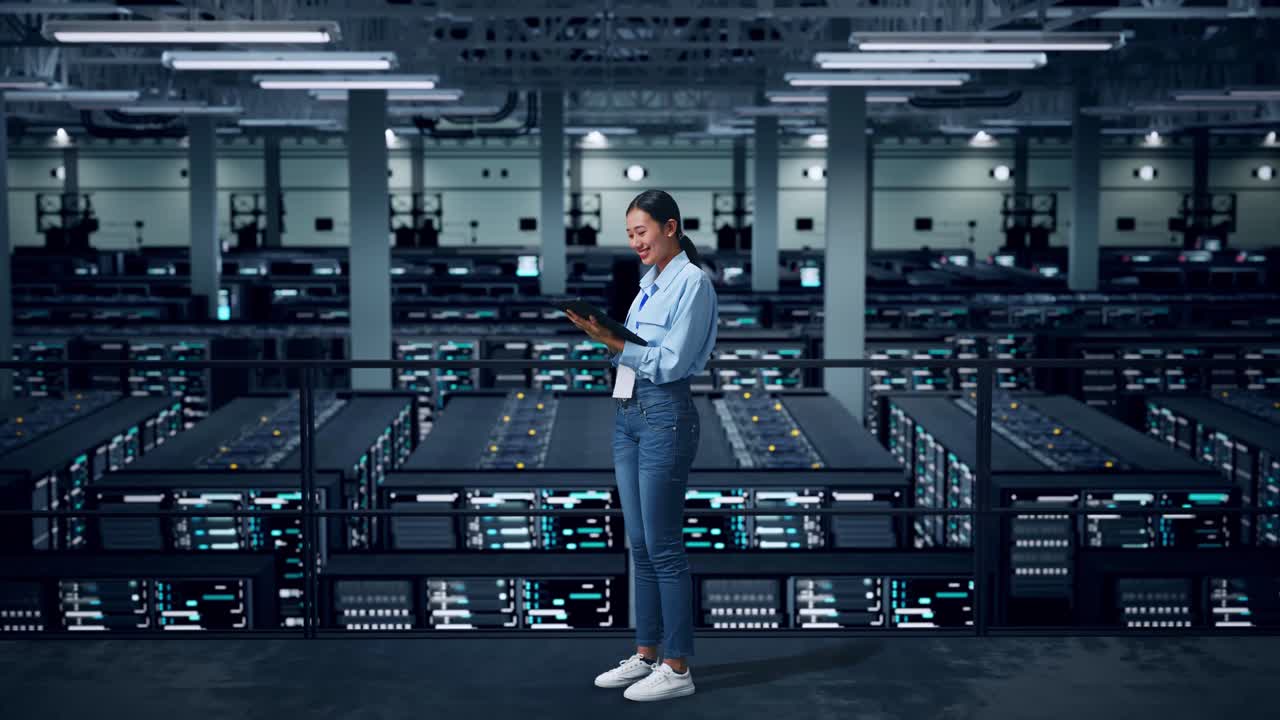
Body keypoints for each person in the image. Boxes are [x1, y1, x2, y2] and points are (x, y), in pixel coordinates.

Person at [565, 189, 718, 703]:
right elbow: (634, 349)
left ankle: (677, 668)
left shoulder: (692, 283)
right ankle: (648, 654)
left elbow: (671, 363)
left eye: (642, 232)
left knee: (665, 547)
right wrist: (604, 333)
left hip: (663, 416)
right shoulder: (648, 284)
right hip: (628, 413)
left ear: (670, 227)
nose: (635, 242)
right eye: (629, 234)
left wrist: (609, 341)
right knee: (640, 546)